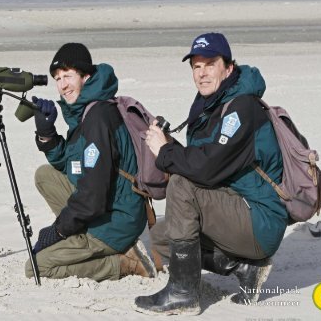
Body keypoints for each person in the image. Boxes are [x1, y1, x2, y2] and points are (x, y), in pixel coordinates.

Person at [135, 33, 288, 314]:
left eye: (210, 64)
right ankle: (244, 268)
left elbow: (206, 168)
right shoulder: (213, 104)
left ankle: (183, 294)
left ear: (228, 68)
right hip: (237, 205)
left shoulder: (241, 108)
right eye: (196, 66)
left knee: (181, 184)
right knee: (161, 237)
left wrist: (166, 153)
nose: (202, 73)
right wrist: (168, 144)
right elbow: (208, 159)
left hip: (259, 217)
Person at [24, 42, 156, 281]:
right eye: (57, 78)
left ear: (86, 76)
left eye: (68, 76)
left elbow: (92, 198)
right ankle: (80, 235)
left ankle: (124, 262)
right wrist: (47, 135)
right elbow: (70, 165)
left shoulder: (97, 118)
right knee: (45, 175)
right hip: (104, 207)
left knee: (37, 267)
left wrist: (57, 230)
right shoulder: (86, 111)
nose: (62, 85)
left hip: (115, 221)